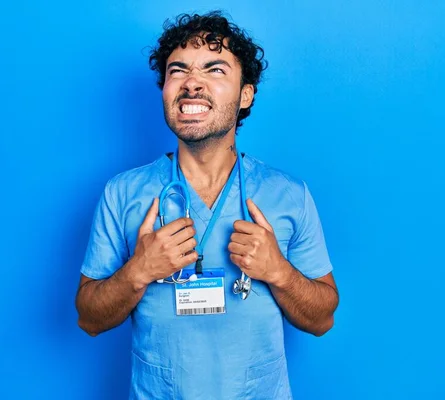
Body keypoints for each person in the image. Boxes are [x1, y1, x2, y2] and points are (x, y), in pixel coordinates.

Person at [75, 10, 339, 399]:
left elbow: (323, 319)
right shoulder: (123, 192)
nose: (191, 83)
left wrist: (278, 271)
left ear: (245, 93)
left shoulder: (288, 194)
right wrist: (140, 271)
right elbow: (88, 318)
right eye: (177, 71)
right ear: (164, 88)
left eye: (214, 70)